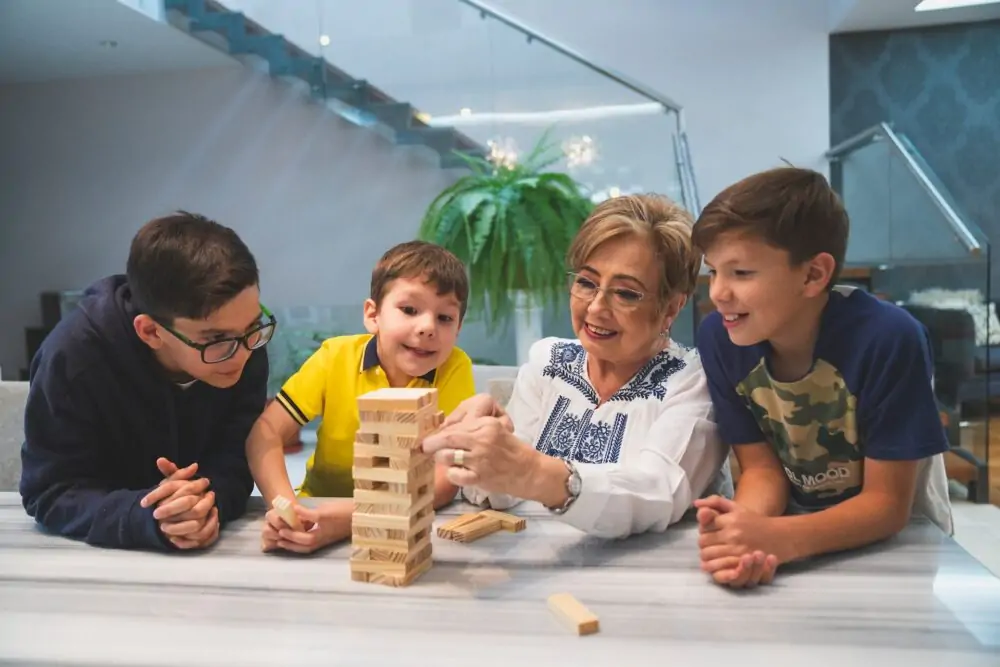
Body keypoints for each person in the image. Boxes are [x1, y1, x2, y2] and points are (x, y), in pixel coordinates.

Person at [692, 166, 953, 589]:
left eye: (741, 273)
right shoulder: (721, 338)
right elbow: (762, 471)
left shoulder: (889, 338)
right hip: (799, 537)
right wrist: (744, 534)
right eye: (713, 271)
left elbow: (886, 505)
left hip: (898, 546)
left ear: (814, 275)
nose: (718, 292)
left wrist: (777, 539)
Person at [421, 194, 732, 540]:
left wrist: (537, 473)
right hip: (544, 575)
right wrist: (482, 447)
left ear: (671, 308)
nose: (596, 308)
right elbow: (503, 494)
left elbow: (658, 493)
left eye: (626, 293)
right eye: (586, 282)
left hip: (658, 581)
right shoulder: (548, 362)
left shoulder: (693, 380)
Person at [20, 212, 272, 551]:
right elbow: (50, 491)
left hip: (210, 551)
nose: (243, 355)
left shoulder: (244, 344)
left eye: (253, 327)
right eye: (216, 338)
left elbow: (236, 459)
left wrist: (206, 501)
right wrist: (149, 516)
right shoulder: (73, 356)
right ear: (151, 331)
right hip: (94, 558)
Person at [247, 240, 475, 553]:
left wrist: (357, 516)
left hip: (404, 522)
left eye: (445, 318)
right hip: (316, 510)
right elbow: (265, 433)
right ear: (373, 315)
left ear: (459, 328)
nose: (427, 327)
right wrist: (284, 508)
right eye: (409, 310)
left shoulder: (454, 368)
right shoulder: (335, 356)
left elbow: (446, 477)